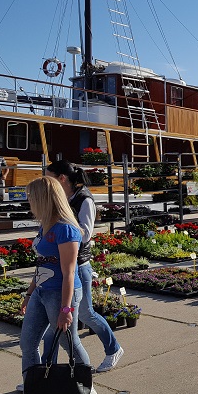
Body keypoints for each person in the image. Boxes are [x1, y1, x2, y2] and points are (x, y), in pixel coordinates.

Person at [18, 176, 97, 394]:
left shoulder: (66, 229)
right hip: (42, 292)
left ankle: (86, 387)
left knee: (68, 343)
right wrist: (30, 293)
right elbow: (42, 263)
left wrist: (65, 308)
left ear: (44, 198)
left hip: (60, 294)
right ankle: (32, 391)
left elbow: (69, 272)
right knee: (28, 343)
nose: (29, 200)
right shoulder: (45, 224)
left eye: (32, 196)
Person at [41, 160, 124, 373]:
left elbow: (86, 233)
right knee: (56, 323)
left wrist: (64, 227)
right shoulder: (63, 197)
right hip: (61, 265)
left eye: (49, 177)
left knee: (86, 314)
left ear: (62, 179)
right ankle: (43, 372)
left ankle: (113, 349)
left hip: (78, 266)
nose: (45, 181)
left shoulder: (83, 199)